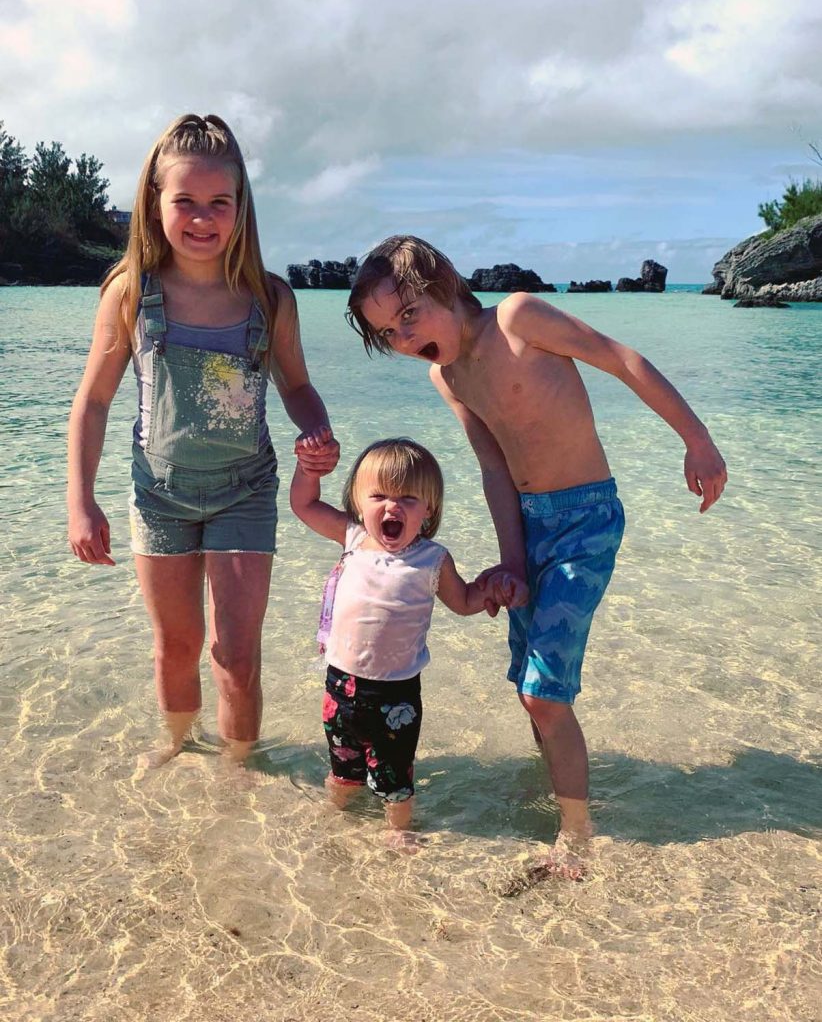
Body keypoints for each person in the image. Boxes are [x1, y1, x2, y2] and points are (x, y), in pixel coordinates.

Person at [344, 235, 727, 875]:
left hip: (586, 520)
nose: (406, 339)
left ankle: (576, 838)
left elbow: (622, 359)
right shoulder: (448, 376)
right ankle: (557, 785)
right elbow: (495, 468)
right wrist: (512, 563)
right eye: (389, 334)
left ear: (444, 282)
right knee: (530, 686)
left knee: (545, 691)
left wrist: (697, 440)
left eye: (409, 314)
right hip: (528, 525)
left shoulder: (518, 317)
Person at [67, 114, 339, 766]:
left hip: (245, 488)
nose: (201, 217)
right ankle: (178, 745)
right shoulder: (132, 292)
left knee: (236, 654)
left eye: (219, 202)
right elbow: (94, 401)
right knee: (176, 647)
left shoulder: (268, 298)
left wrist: (316, 433)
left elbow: (297, 387)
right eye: (184, 200)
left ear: (241, 208)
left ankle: (240, 774)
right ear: (154, 202)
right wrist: (81, 500)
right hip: (158, 493)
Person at [290, 437, 525, 841]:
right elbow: (304, 505)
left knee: (395, 776)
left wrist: (492, 590)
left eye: (409, 498)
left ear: (429, 510)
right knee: (343, 768)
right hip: (340, 685)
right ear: (358, 502)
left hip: (396, 694)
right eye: (378, 495)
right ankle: (335, 817)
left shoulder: (433, 559)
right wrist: (309, 471)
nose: (391, 506)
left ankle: (398, 831)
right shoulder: (351, 538)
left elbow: (464, 600)